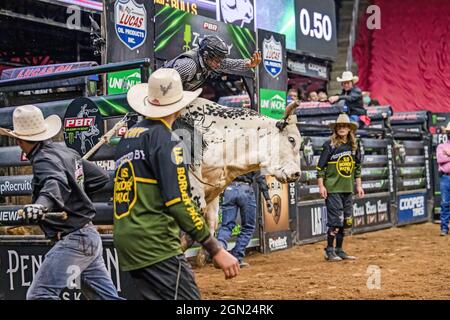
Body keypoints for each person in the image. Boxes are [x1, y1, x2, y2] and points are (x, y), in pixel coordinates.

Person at [113, 68, 239, 300]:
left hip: (128, 243)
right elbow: (178, 200)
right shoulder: (169, 141)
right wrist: (215, 247)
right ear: (179, 106)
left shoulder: (129, 137)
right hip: (155, 243)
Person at [0, 105, 120, 300]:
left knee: (39, 295)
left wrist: (41, 205)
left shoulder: (43, 159)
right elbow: (101, 177)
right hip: (87, 236)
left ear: (20, 140)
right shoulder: (66, 153)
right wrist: (75, 193)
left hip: (75, 239)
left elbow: (53, 183)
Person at [316, 113, 365, 261]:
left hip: (347, 188)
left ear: (350, 129)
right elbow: (320, 168)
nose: (342, 128)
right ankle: (329, 250)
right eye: (340, 126)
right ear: (336, 129)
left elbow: (357, 168)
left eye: (345, 126)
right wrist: (321, 186)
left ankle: (339, 249)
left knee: (346, 220)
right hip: (333, 188)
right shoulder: (329, 145)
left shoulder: (354, 146)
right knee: (335, 221)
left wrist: (359, 186)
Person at [164, 35, 261, 91]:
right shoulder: (189, 65)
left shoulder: (210, 62)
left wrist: (248, 64)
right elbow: (165, 85)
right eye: (217, 60)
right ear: (206, 55)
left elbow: (229, 64)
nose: (219, 64)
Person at [217, 172, 273, 268]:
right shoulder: (251, 157)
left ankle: (219, 252)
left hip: (229, 188)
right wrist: (267, 198)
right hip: (245, 189)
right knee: (248, 227)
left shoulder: (230, 156)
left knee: (226, 226)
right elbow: (260, 177)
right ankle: (236, 257)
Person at [436, 122, 450, 236]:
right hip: (446, 177)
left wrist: (449, 154)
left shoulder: (443, 147)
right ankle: (444, 228)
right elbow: (440, 159)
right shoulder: (441, 146)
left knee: (445, 203)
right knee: (445, 203)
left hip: (445, 177)